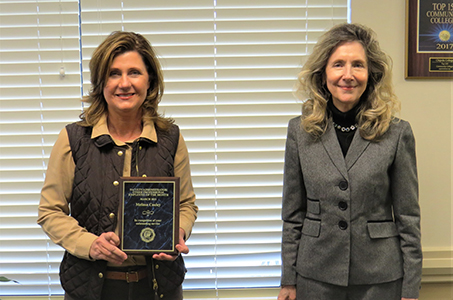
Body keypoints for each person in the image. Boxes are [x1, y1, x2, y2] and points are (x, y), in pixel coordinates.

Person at [38, 31, 198, 300]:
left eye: (134, 72)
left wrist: (176, 233)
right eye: (114, 74)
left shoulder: (171, 138)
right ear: (101, 83)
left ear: (150, 81)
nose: (124, 83)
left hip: (159, 288)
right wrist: (91, 245)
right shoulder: (73, 139)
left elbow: (186, 205)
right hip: (90, 289)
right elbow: (50, 211)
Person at [278, 23, 422, 300]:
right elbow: (293, 214)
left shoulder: (396, 133)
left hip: (379, 277)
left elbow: (408, 217)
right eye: (338, 65)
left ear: (371, 74)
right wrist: (288, 280)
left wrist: (411, 288)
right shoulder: (300, 131)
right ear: (323, 75)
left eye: (358, 65)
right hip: (315, 275)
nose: (348, 75)